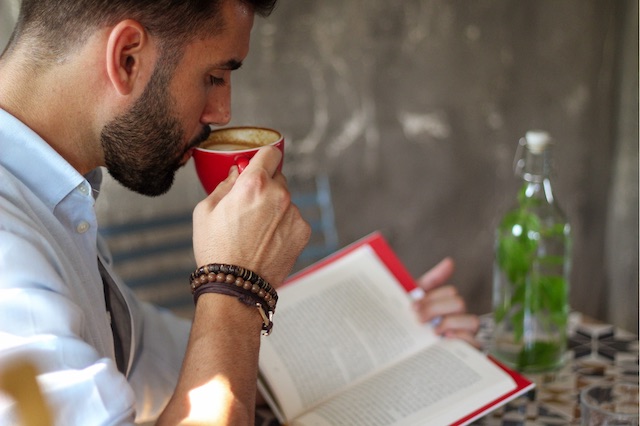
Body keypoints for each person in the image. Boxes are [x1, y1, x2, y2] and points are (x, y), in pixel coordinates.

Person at [0, 0, 478, 424]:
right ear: (127, 57)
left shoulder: (52, 203)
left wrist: (386, 336)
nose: (222, 112)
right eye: (214, 76)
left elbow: (154, 360)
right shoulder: (9, 256)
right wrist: (234, 284)